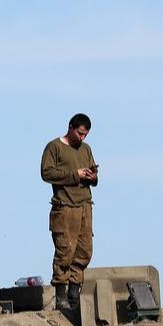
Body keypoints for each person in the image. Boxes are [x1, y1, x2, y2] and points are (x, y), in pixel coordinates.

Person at [41, 113, 98, 310]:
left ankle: (74, 294)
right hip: (64, 206)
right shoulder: (54, 147)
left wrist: (91, 176)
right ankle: (61, 295)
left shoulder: (86, 149)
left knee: (84, 251)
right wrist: (75, 175)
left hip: (84, 205)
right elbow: (46, 173)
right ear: (71, 127)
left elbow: (94, 176)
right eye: (80, 133)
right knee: (65, 251)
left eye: (86, 135)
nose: (82, 138)